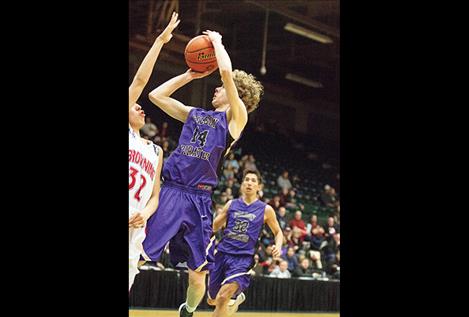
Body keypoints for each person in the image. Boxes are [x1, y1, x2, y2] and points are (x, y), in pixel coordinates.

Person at [142, 29, 264, 317]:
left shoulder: (236, 120)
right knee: (138, 255)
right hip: (172, 190)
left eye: (221, 87)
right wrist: (188, 76)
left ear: (237, 94)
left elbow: (224, 70)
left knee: (198, 274)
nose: (216, 89)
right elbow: (156, 95)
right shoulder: (195, 114)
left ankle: (188, 310)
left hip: (199, 199)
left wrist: (219, 42)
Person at [128, 12, 180, 291]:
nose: (140, 107)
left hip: (135, 225)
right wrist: (160, 41)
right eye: (134, 106)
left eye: (140, 106)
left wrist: (146, 214)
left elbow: (155, 196)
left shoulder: (156, 151)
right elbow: (139, 82)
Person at [207, 170, 283, 317]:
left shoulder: (266, 209)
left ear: (259, 187)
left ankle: (231, 297)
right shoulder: (231, 204)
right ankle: (235, 298)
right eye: (246, 179)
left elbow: (278, 232)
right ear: (242, 185)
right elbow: (214, 227)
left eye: (253, 180)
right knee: (213, 300)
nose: (249, 182)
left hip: (243, 259)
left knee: (222, 297)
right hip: (222, 254)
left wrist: (278, 246)